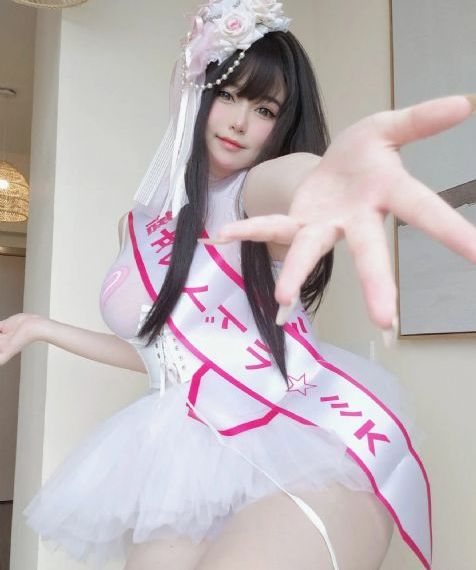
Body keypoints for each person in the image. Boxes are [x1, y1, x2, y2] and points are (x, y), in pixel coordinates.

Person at [1, 1, 475, 569]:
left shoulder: (252, 197)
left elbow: (295, 180)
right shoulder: (141, 226)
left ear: (282, 124)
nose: (239, 122)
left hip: (290, 441)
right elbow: (163, 353)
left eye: (264, 108)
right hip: (184, 449)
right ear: (197, 96)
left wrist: (334, 176)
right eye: (226, 94)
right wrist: (41, 328)